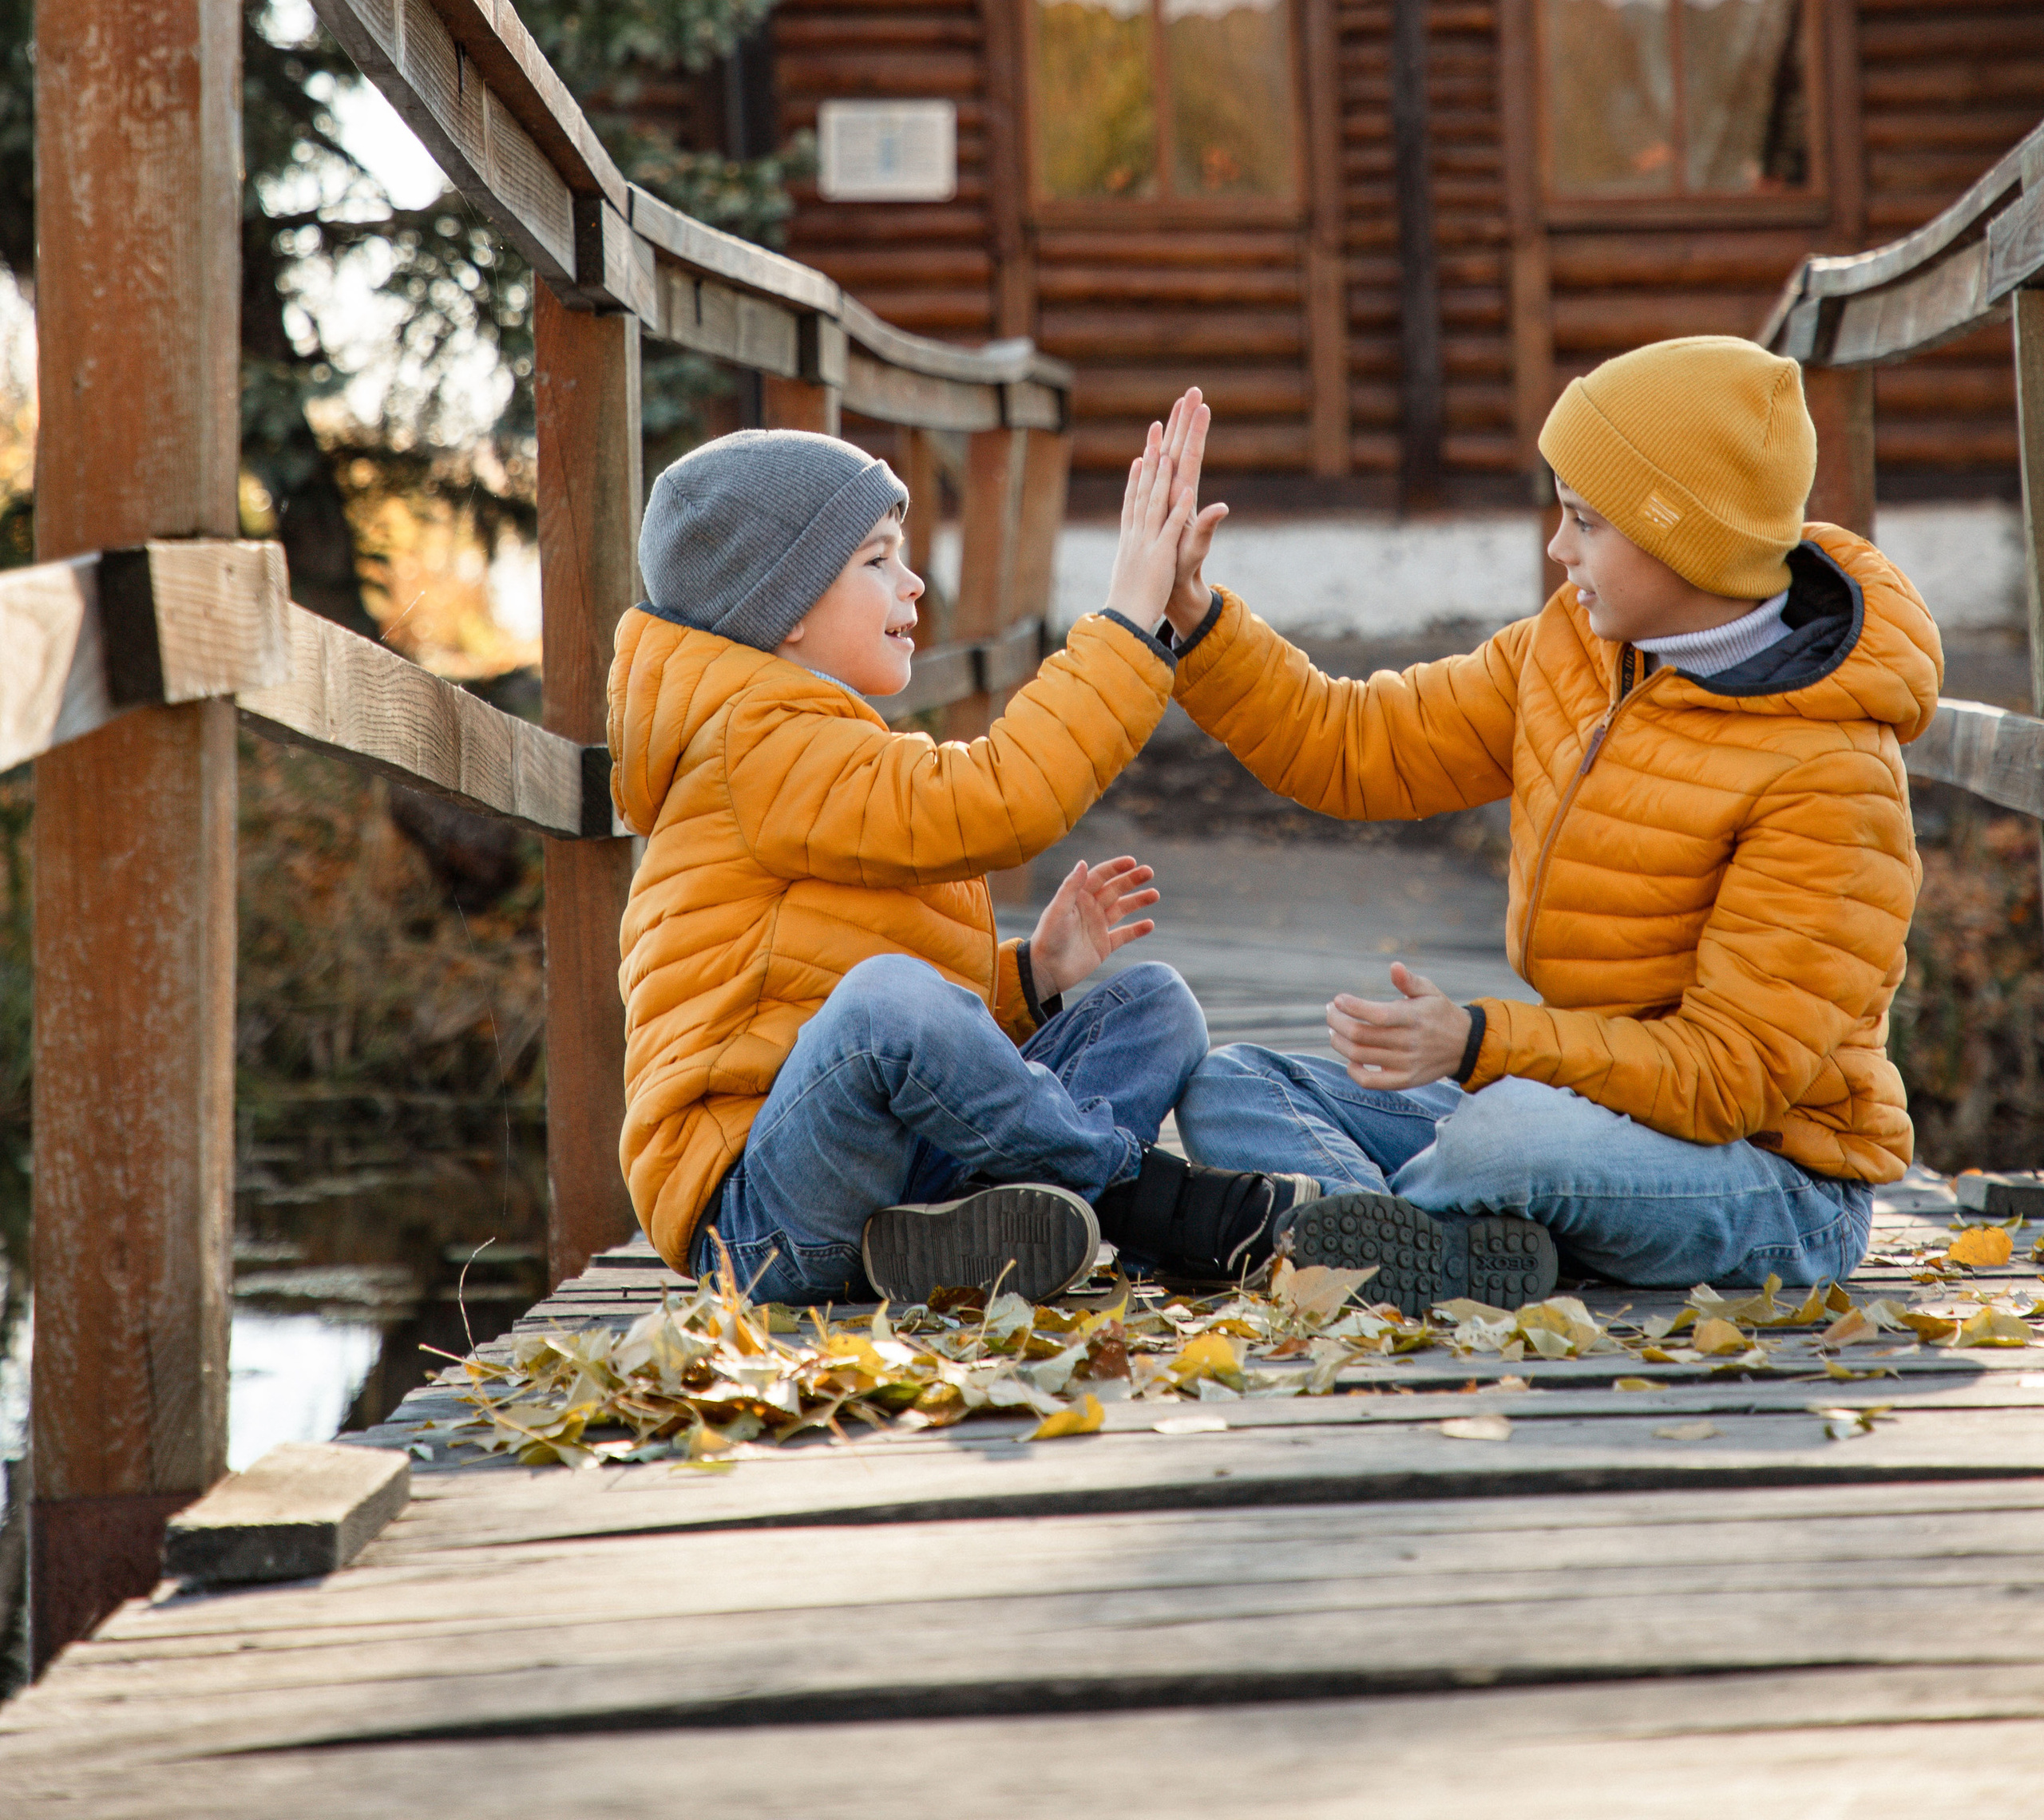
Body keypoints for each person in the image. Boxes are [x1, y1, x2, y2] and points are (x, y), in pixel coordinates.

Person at [1152, 341, 1939, 1310]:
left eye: (1583, 521)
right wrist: (1195, 618)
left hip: (1772, 1181)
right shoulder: (1571, 650)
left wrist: (1481, 1042)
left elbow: (1723, 1078)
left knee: (1504, 1136)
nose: (1557, 550)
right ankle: (1407, 1245)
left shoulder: (1832, 775)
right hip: (1581, 1104)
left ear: (1682, 541)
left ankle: (1332, 1235)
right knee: (1234, 1083)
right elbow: (1358, 743)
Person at [607, 418, 1315, 1305]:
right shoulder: (756, 746)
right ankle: (1139, 1198)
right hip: (762, 1217)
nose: (913, 583)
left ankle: (998, 1222)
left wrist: (1032, 977)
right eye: (875, 560)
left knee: (1151, 1005)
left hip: (888, 1172)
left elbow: (832, 988)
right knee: (883, 999)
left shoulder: (808, 740)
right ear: (780, 607)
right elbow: (1000, 796)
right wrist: (1130, 622)